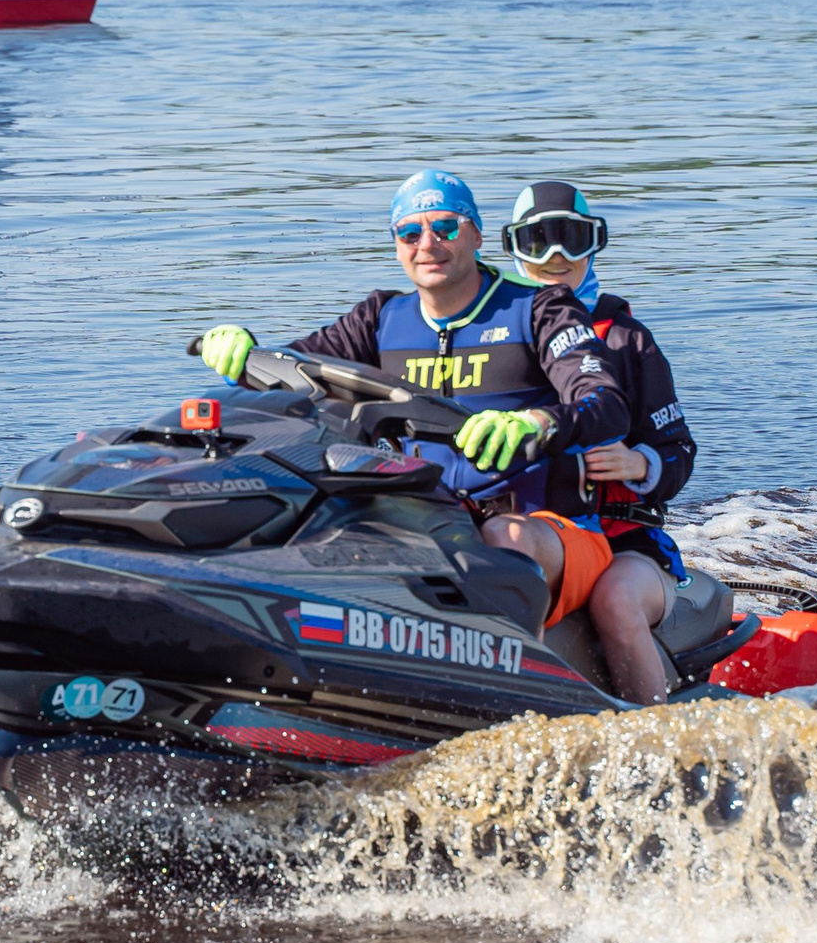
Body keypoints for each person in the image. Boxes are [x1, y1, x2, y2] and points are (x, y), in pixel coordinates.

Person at [199, 170, 630, 626]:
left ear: (477, 235)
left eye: (445, 227)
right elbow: (291, 369)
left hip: (552, 527)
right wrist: (243, 356)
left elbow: (605, 405)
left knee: (506, 537)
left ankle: (522, 682)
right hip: (434, 521)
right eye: (410, 232)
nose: (427, 243)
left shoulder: (541, 307)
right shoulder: (381, 318)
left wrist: (538, 423)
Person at [490, 180, 698, 703]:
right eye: (539, 241)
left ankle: (656, 734)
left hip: (625, 541)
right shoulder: (491, 335)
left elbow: (680, 451)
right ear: (514, 248)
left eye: (572, 239)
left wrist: (638, 462)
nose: (557, 256)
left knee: (616, 602)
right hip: (525, 525)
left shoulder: (627, 340)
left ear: (595, 242)